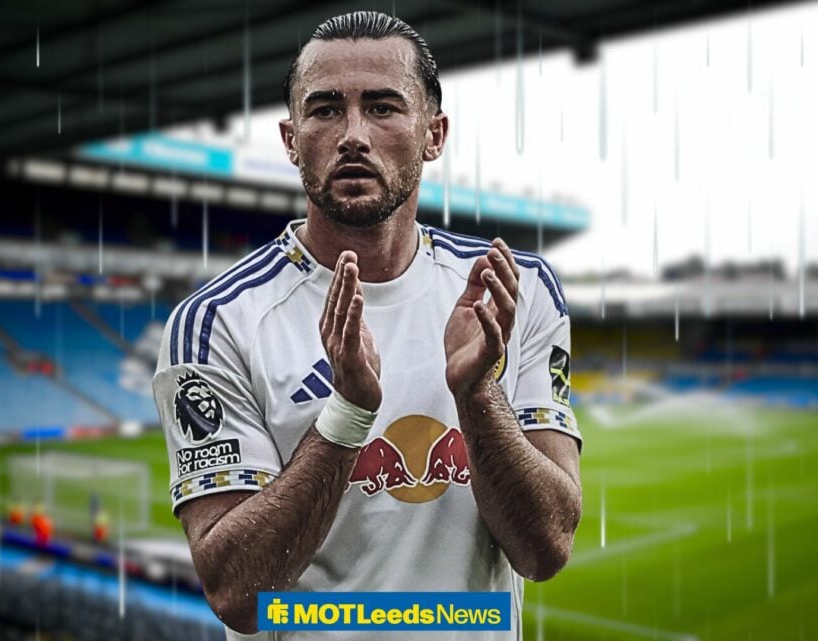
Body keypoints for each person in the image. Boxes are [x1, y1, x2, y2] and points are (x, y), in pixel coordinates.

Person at [153, 11, 582, 640]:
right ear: (290, 138)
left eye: (383, 107)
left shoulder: (510, 290)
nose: (353, 134)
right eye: (325, 110)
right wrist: (349, 414)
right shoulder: (217, 322)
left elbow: (545, 550)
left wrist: (478, 394)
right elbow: (236, 592)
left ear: (434, 134)